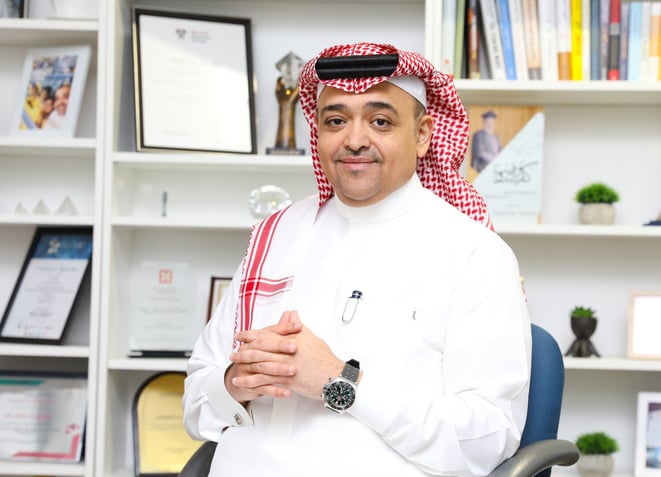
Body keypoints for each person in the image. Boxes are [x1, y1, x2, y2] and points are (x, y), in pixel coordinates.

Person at [183, 42, 531, 477]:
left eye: (380, 121)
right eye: (335, 121)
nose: (354, 140)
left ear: (423, 134)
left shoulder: (474, 253)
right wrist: (235, 382)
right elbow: (195, 406)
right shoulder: (275, 235)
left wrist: (339, 382)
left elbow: (487, 440)